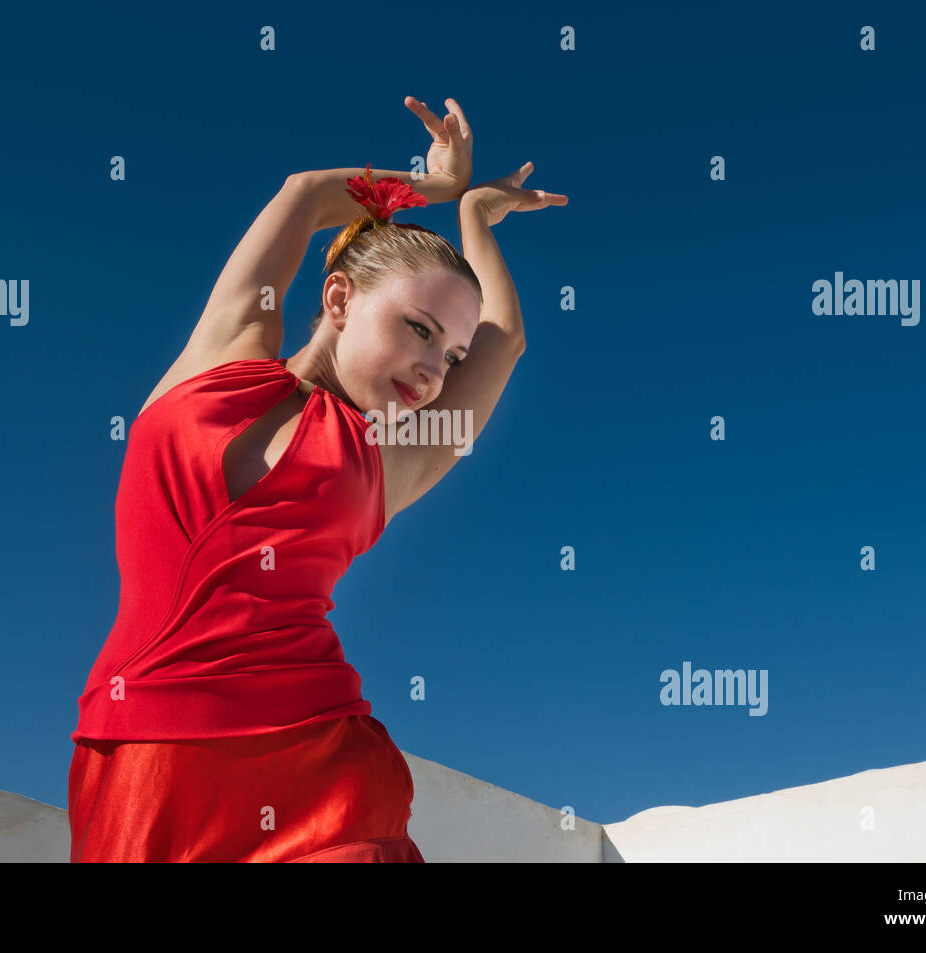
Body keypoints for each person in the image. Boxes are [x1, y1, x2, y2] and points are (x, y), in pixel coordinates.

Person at [67, 96, 567, 862]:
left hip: (320, 772)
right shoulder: (219, 358)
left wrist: (476, 215)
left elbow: (508, 340)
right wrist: (427, 187)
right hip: (135, 756)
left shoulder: (386, 462)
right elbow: (302, 196)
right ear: (338, 300)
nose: (435, 373)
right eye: (421, 331)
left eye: (450, 359)